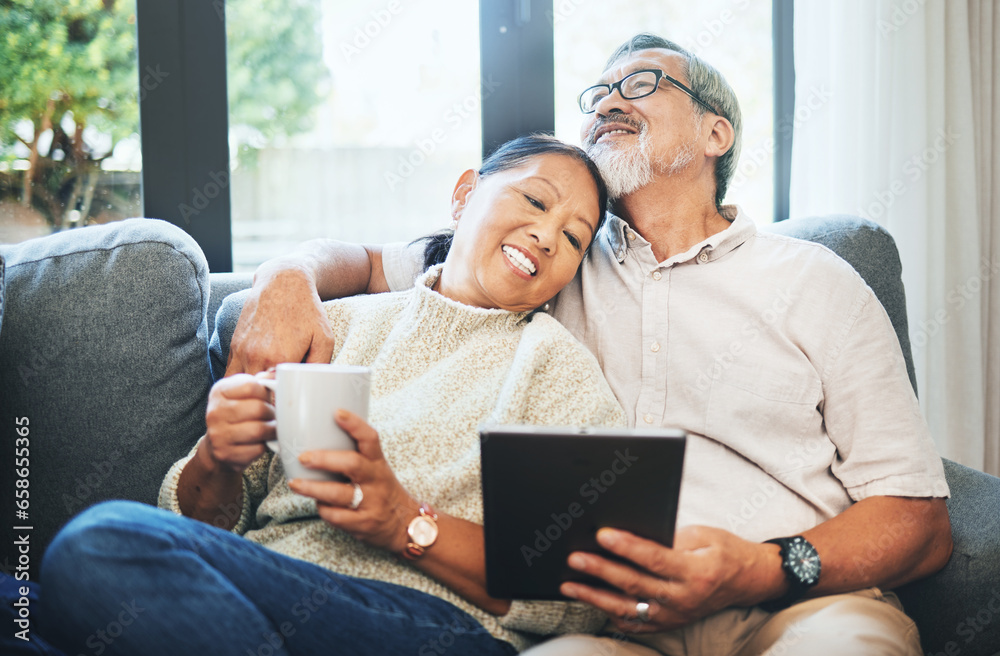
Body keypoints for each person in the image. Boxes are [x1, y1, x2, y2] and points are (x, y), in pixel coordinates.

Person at [224, 34, 954, 656]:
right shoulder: (549, 256)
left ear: (714, 134)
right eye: (597, 94)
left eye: (639, 84)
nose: (606, 102)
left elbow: (919, 521)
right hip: (605, 624)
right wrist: (286, 278)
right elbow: (365, 263)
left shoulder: (816, 281)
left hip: (797, 604)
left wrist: (763, 569)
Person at [34, 135, 628, 655]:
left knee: (98, 545)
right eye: (535, 200)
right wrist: (218, 458)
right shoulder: (336, 327)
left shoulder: (558, 373)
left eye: (575, 239)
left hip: (426, 623)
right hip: (253, 588)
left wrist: (403, 521)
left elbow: (574, 597)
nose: (548, 236)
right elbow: (200, 527)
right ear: (465, 194)